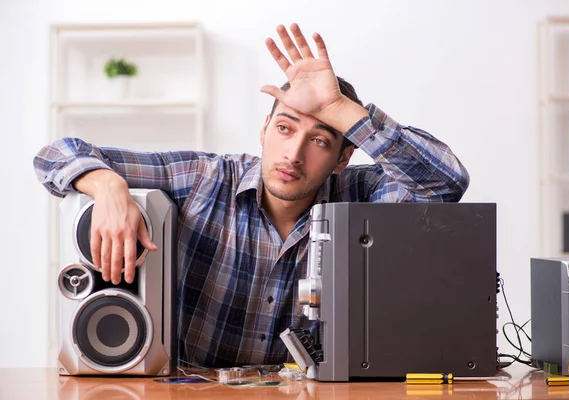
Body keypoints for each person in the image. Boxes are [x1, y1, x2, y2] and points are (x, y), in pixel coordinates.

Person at [34, 23, 469, 367]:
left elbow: (446, 181)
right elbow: (56, 153)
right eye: (284, 128)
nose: (293, 154)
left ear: (342, 157)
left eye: (319, 140)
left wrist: (340, 110)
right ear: (264, 130)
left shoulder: (362, 196)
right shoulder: (205, 177)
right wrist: (107, 186)